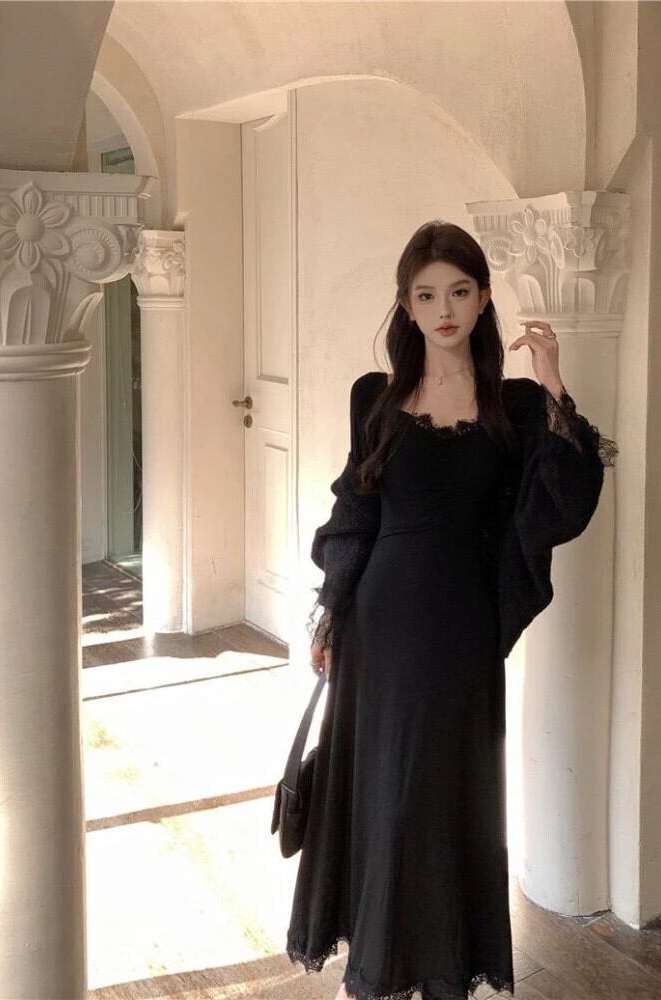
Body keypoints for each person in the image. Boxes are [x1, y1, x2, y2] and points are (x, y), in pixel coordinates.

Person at [284, 221, 618, 1000]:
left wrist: (556, 382)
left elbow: (568, 499)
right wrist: (330, 611)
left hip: (463, 631)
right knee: (385, 795)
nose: (444, 309)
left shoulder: (518, 406)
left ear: (483, 298)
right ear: (406, 305)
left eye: (459, 292)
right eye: (427, 295)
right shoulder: (374, 397)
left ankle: (438, 968)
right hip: (378, 626)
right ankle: (379, 968)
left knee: (445, 797)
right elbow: (356, 510)